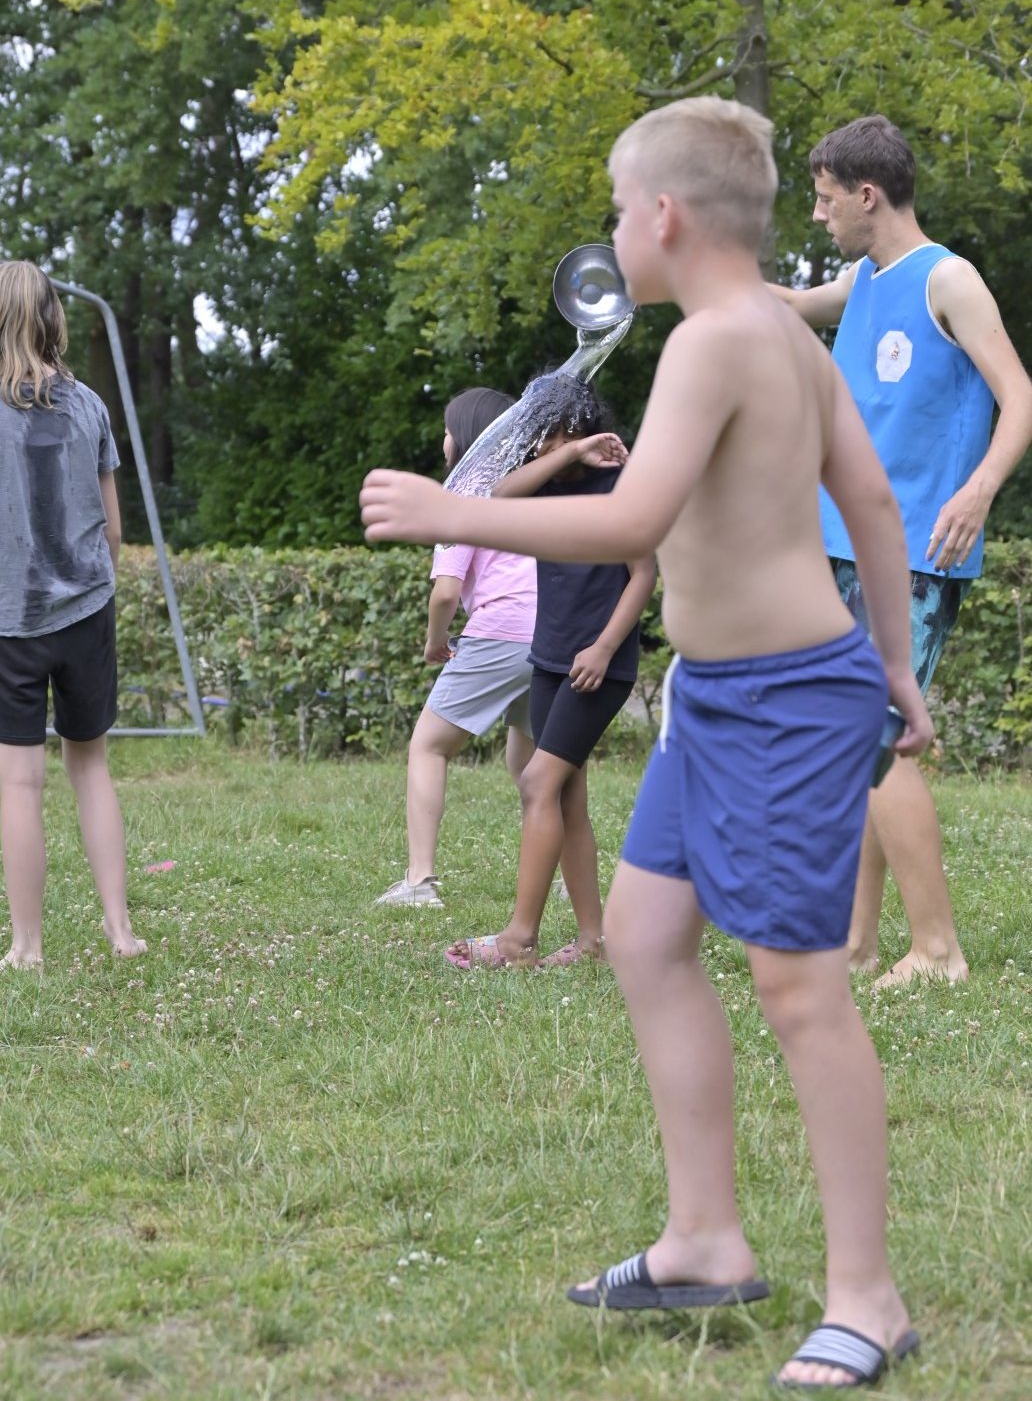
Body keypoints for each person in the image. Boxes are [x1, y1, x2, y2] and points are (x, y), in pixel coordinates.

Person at [361, 95, 932, 1390]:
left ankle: (870, 1296)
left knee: (799, 988)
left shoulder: (720, 341)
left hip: (786, 698)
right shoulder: (780, 337)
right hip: (717, 696)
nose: (616, 233)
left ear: (664, 218)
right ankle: (704, 1238)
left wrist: (455, 509)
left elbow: (635, 521)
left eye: (620, 211)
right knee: (646, 933)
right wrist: (896, 661)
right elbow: (870, 500)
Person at [773, 115, 1032, 986]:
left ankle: (938, 950)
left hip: (913, 553)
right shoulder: (863, 280)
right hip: (844, 543)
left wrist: (979, 488)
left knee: (876, 737)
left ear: (866, 194)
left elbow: (1020, 395)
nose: (818, 216)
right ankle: (856, 943)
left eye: (824, 199)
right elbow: (789, 306)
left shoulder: (947, 280)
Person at [0, 260, 145, 969]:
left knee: (20, 784)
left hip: (7, 622)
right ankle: (121, 931)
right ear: (51, 318)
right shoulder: (90, 406)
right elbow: (113, 530)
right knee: (90, 769)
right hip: (86, 610)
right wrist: (93, 590)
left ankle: (27, 947)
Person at [445, 375, 655, 968]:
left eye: (557, 433)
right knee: (566, 798)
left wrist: (604, 648)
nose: (543, 445)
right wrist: (568, 452)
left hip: (598, 665)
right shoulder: (538, 485)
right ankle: (593, 943)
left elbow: (643, 575)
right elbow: (492, 499)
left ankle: (519, 940)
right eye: (538, 436)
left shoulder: (620, 484)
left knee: (538, 782)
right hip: (549, 657)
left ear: (585, 427)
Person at [375, 388, 540, 907]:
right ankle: (558, 877)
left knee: (429, 746)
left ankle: (419, 882)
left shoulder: (463, 490)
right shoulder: (531, 489)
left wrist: (436, 641)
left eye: (447, 430)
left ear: (467, 435)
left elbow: (446, 592)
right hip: (553, 635)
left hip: (500, 631)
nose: (442, 440)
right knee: (533, 764)